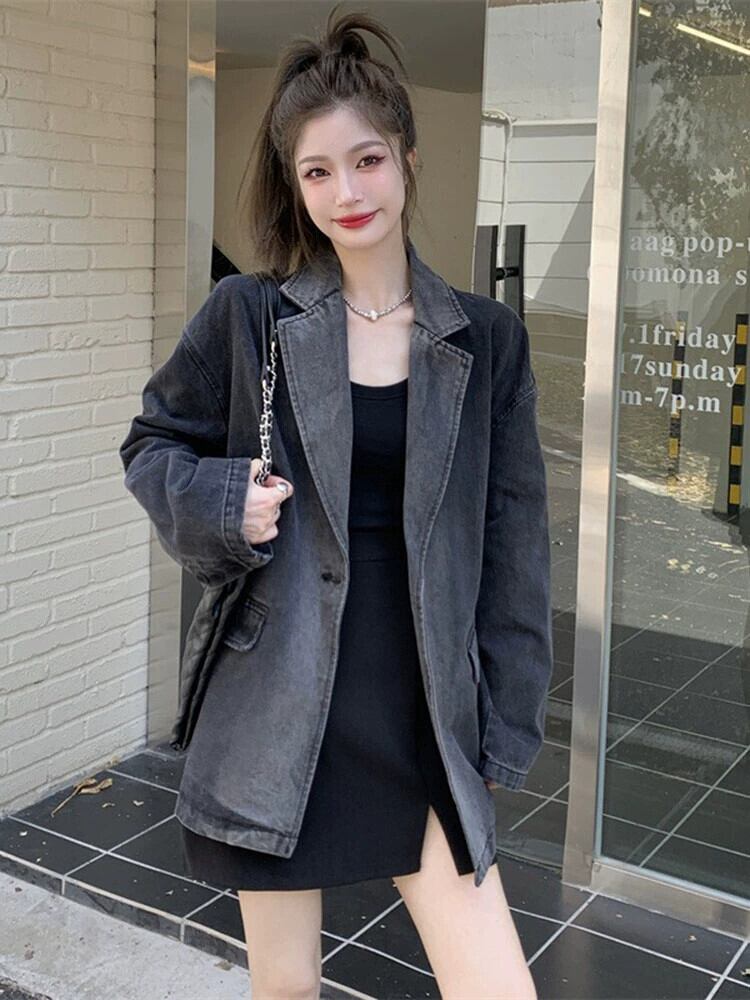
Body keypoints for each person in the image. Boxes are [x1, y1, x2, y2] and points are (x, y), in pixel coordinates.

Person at [119, 5, 553, 998]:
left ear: (406, 158)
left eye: (366, 161)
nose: (346, 192)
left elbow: (514, 540)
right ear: (295, 184)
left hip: (421, 707)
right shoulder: (249, 317)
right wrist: (226, 502)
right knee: (285, 987)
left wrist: (504, 724)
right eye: (318, 172)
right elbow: (153, 442)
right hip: (278, 704)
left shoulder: (485, 339)